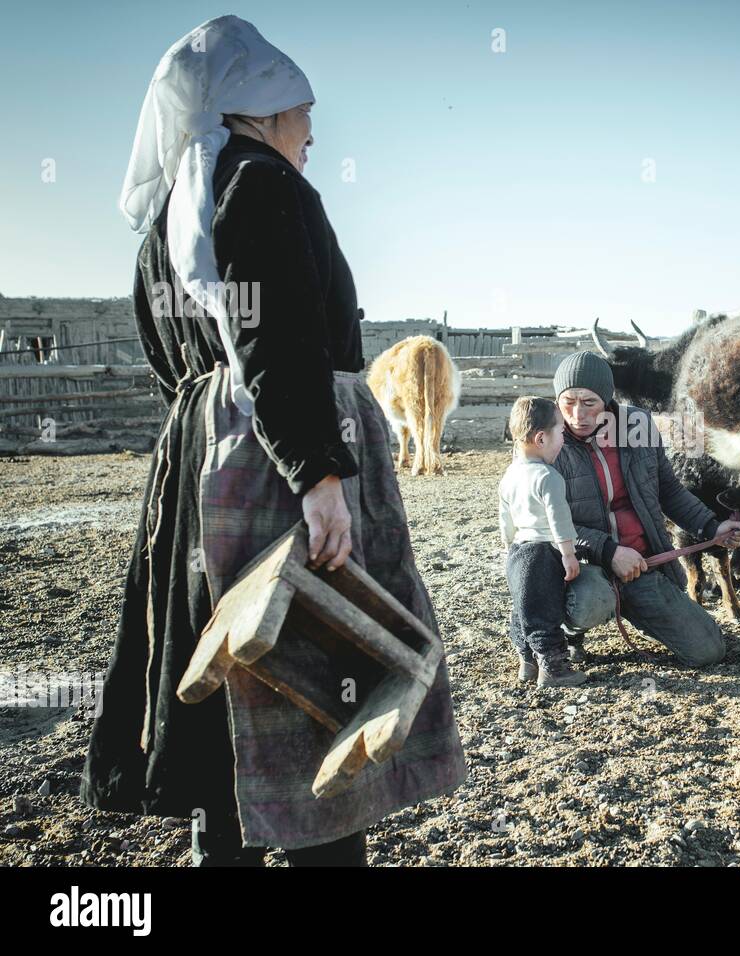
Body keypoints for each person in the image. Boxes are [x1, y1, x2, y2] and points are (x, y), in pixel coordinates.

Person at [80, 16, 466, 867]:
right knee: (319, 661)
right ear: (255, 109)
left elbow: (176, 364)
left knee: (234, 679)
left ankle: (222, 846)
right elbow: (277, 337)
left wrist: (220, 436)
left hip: (201, 465)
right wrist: (318, 470)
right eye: (301, 110)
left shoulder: (162, 232)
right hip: (277, 452)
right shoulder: (261, 184)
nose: (312, 129)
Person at [549, 351, 740, 667]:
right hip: (582, 568)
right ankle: (568, 633)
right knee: (589, 603)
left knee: (708, 650)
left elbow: (669, 492)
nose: (577, 414)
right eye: (568, 402)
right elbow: (541, 524)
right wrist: (609, 551)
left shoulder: (636, 425)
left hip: (642, 565)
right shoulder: (545, 438)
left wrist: (712, 528)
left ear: (608, 400)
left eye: (589, 403)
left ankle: (642, 609)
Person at [499, 397, 586, 687]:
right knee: (545, 613)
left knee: (523, 608)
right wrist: (569, 554)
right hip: (543, 553)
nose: (563, 438)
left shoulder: (509, 475)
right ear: (541, 438)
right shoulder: (548, 477)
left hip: (518, 551)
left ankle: (527, 663)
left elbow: (505, 519)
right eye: (561, 432)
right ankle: (554, 669)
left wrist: (509, 549)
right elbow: (558, 520)